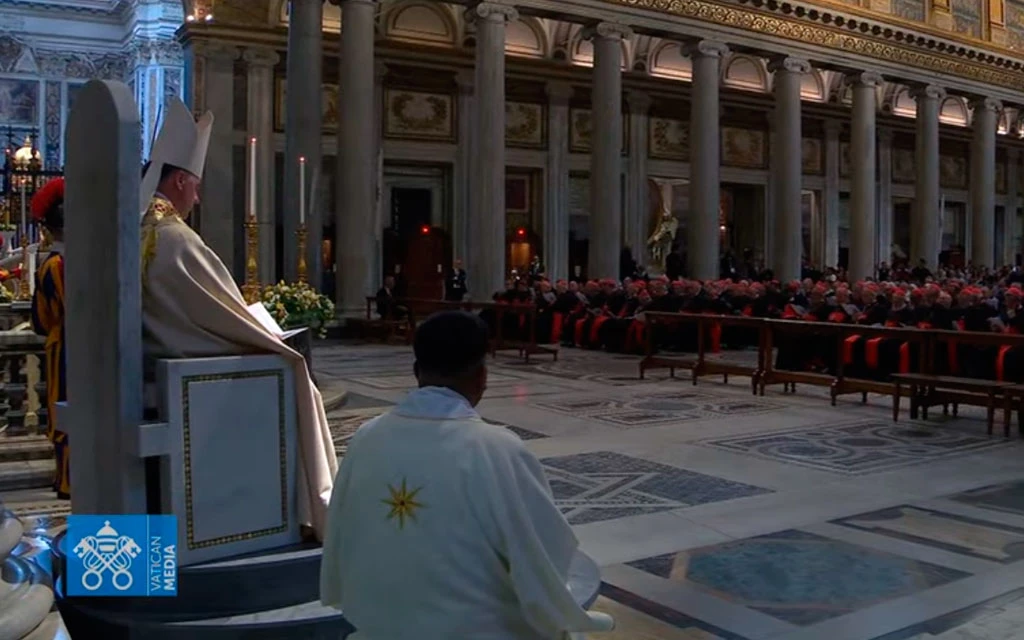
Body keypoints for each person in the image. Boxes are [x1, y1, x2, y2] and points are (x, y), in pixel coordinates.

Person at [320, 311, 613, 639]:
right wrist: (560, 614)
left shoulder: (365, 437)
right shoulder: (499, 449)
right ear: (482, 376)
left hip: (380, 626)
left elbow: (341, 530)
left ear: (417, 372)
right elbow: (544, 550)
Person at [139, 97, 337, 539]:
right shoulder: (175, 238)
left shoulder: (137, 231)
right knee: (296, 370)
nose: (197, 194)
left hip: (151, 366)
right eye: (194, 184)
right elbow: (227, 317)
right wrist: (273, 338)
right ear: (177, 181)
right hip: (193, 374)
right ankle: (308, 512)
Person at [30, 177, 69, 499]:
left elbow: (40, 318)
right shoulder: (58, 265)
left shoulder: (55, 263)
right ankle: (67, 479)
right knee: (65, 413)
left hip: (65, 344)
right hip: (66, 349)